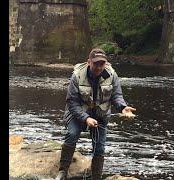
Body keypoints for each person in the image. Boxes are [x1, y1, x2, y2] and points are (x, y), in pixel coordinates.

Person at [56, 48, 136, 180]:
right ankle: (63, 172)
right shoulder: (77, 75)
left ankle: (96, 177)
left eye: (102, 64)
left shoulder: (112, 75)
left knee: (99, 148)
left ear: (105, 63)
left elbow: (116, 96)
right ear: (89, 62)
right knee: (72, 134)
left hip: (100, 115)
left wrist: (123, 107)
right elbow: (72, 103)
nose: (99, 67)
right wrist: (86, 118)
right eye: (95, 63)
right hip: (78, 112)